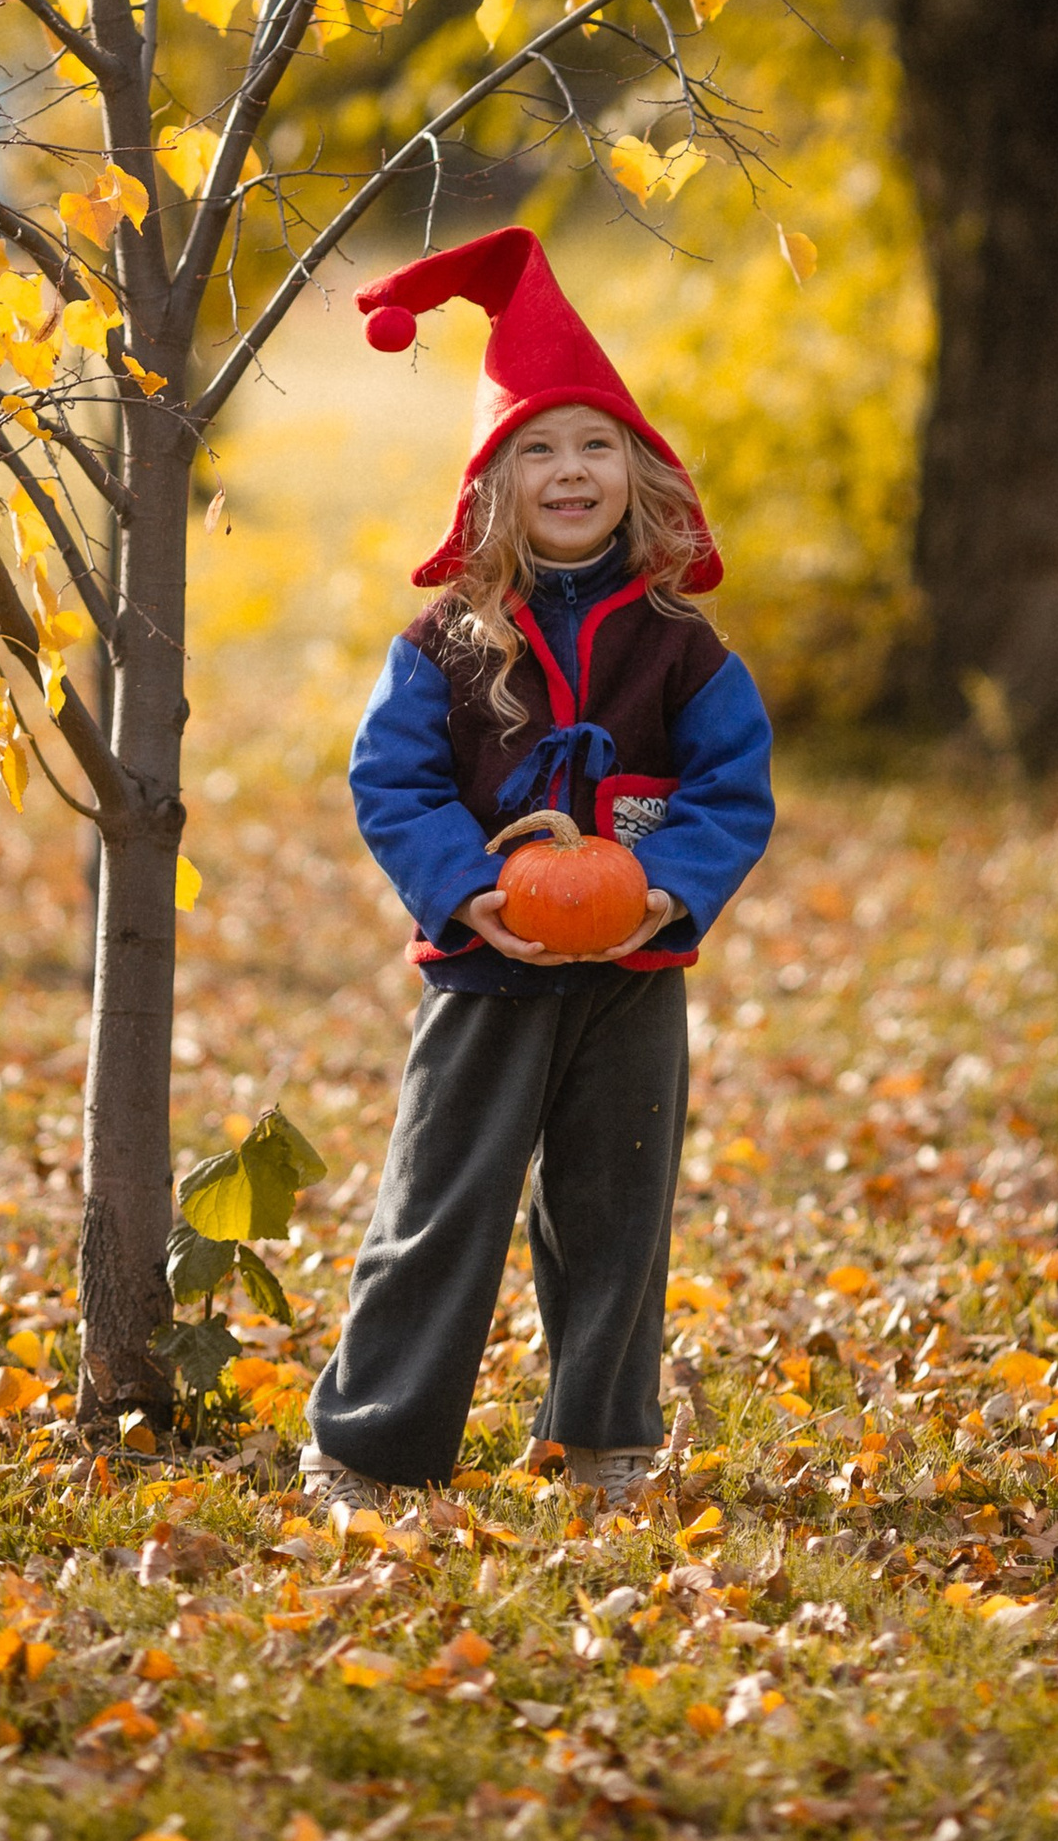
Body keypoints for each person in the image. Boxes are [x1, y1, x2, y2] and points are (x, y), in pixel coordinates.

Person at [302, 228, 774, 1510]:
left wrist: (665, 890)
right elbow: (390, 783)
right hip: (486, 968)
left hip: (634, 971)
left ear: (639, 470)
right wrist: (466, 890)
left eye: (595, 446)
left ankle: (601, 1438)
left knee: (617, 1205)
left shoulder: (681, 646)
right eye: (537, 450)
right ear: (490, 484)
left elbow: (732, 789)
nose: (570, 471)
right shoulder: (445, 643)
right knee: (441, 1203)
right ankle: (373, 1444)